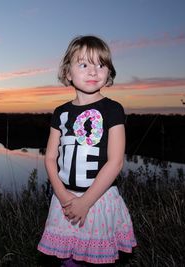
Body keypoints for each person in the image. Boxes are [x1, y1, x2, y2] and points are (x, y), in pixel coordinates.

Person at [37, 35, 137, 266]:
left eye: (100, 65)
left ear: (108, 73)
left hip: (99, 199)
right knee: (67, 257)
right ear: (68, 73)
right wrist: (63, 196)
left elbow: (115, 162)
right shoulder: (60, 112)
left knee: (96, 259)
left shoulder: (112, 109)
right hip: (65, 198)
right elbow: (51, 158)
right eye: (84, 64)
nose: (93, 71)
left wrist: (86, 201)